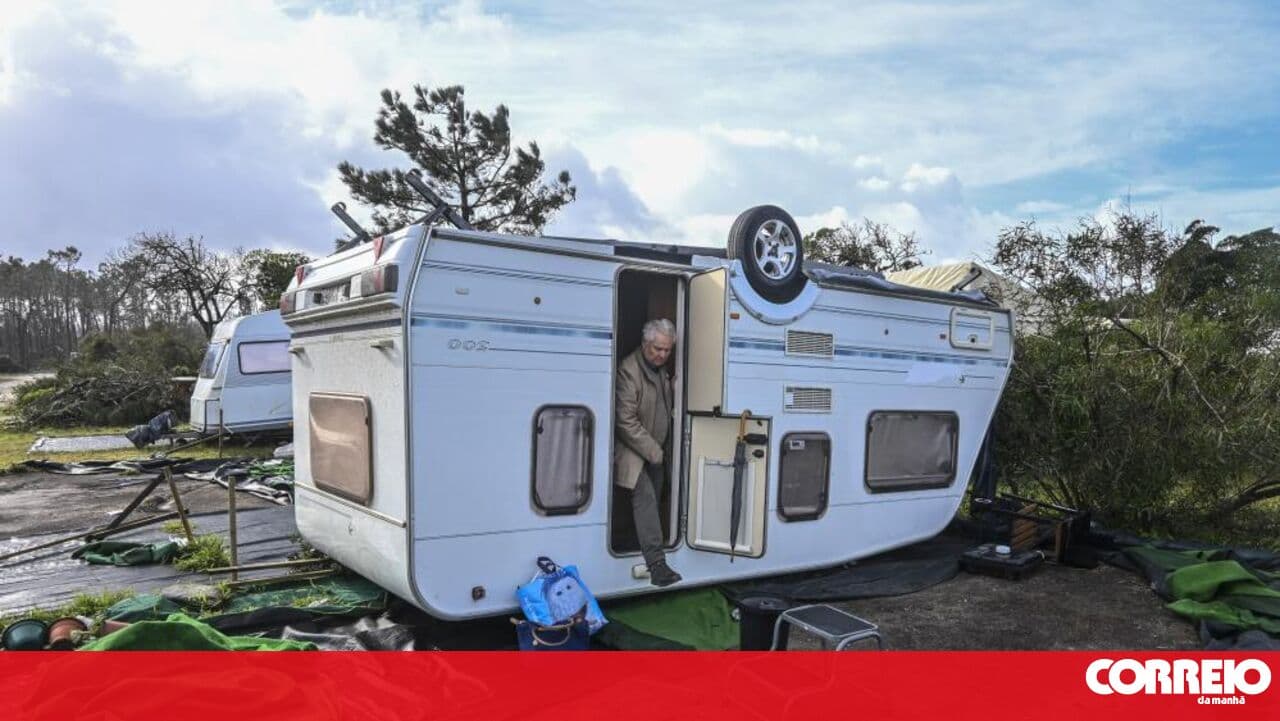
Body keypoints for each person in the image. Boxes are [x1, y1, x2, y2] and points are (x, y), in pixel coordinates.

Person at [614, 318, 682, 587]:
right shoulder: (628, 371)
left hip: (655, 452)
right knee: (645, 499)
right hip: (633, 452)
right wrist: (655, 452)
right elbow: (625, 422)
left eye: (667, 350)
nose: (662, 355)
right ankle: (657, 565)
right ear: (645, 344)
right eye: (657, 349)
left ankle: (636, 546)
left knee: (655, 499)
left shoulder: (661, 370)